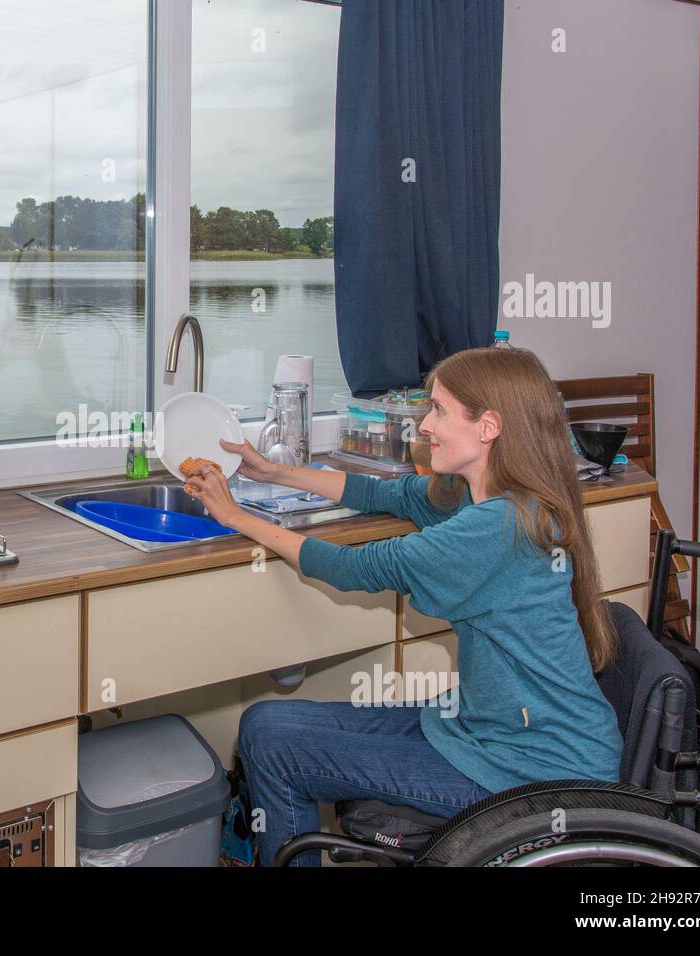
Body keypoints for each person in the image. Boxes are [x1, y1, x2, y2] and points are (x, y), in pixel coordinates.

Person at [184, 347, 624, 867]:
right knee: (262, 723)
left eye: (438, 411)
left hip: (533, 777)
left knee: (280, 752)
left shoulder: (497, 528)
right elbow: (383, 494)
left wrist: (236, 516)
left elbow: (356, 567)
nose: (424, 427)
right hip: (485, 731)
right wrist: (273, 473)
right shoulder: (486, 497)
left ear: (488, 427)